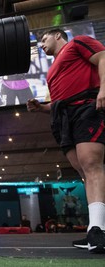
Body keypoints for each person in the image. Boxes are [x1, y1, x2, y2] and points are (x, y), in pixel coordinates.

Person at [27, 28, 105, 253]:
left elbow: (102, 57)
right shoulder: (52, 71)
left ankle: (98, 231)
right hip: (64, 116)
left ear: (58, 36)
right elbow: (58, 101)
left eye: (44, 39)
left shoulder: (78, 43)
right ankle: (95, 228)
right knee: (82, 170)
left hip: (86, 107)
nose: (41, 45)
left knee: (91, 164)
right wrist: (42, 108)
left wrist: (103, 90)